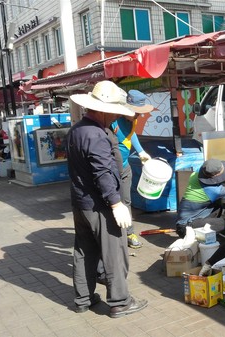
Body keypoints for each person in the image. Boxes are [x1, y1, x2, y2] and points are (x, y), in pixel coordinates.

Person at [67, 80, 147, 318]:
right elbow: (102, 172)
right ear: (102, 109)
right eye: (114, 111)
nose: (116, 117)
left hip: (81, 203)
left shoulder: (77, 130)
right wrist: (116, 203)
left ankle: (83, 298)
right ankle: (120, 302)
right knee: (114, 252)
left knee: (84, 251)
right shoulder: (97, 135)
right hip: (100, 205)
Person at [112, 89, 153, 249]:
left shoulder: (132, 119)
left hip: (125, 167)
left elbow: (132, 134)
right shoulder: (113, 121)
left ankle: (129, 233)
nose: (139, 115)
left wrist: (141, 151)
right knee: (112, 202)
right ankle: (114, 235)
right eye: (136, 112)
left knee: (126, 201)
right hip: (110, 170)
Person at [175, 158, 225, 238]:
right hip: (187, 227)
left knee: (217, 205)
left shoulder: (195, 174)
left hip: (185, 218)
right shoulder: (215, 191)